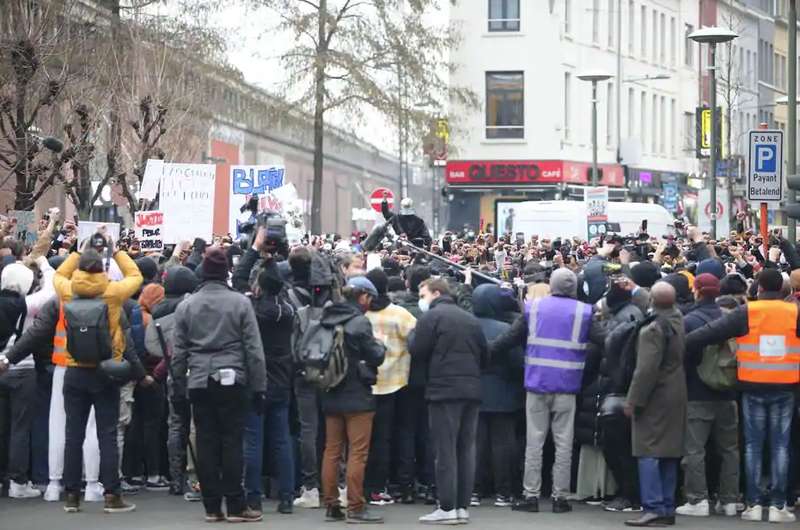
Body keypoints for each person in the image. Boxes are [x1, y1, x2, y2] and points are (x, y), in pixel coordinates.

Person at [686, 269, 800, 524]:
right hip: (786, 386)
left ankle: (753, 504)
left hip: (752, 386)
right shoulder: (794, 312)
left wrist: (681, 342)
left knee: (752, 446)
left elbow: (708, 333)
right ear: (783, 290)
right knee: (781, 446)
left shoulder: (747, 311)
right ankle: (779, 506)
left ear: (759, 288)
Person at [171, 247, 267, 523]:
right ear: (226, 272)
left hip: (199, 379)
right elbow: (254, 350)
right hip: (233, 378)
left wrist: (177, 387)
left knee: (206, 442)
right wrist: (259, 387)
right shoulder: (240, 303)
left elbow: (178, 353)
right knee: (232, 441)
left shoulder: (187, 306)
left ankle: (211, 506)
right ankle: (236, 505)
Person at [490, 268, 593, 514]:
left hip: (537, 383)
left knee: (534, 441)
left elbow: (508, 339)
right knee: (564, 443)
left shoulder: (534, 308)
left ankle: (531, 496)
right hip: (567, 385)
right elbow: (605, 340)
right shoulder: (584, 311)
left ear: (552, 285)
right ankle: (560, 498)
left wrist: (481, 351)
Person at [410, 277, 488, 525]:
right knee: (466, 449)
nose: (421, 300)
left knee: (445, 450)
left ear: (435, 293)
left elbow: (417, 350)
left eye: (422, 295)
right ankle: (462, 506)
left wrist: (412, 335)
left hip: (443, 391)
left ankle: (446, 506)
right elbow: (485, 354)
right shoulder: (470, 319)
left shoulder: (431, 318)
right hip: (471, 389)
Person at [319, 276, 387, 524]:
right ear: (363, 297)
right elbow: (376, 356)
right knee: (357, 453)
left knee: (332, 450)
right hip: (357, 394)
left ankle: (331, 504)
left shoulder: (328, 317)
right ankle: (356, 507)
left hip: (331, 389)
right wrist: (380, 344)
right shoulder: (359, 322)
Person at [623, 282, 687, 527]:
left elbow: (645, 371)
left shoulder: (652, 330)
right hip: (677, 391)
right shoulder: (677, 319)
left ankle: (653, 506)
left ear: (652, 301)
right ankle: (667, 506)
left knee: (647, 451)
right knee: (669, 452)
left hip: (655, 396)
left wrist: (633, 400)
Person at [675, 274, 739, 518]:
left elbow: (682, 357)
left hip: (697, 392)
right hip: (727, 391)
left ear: (697, 290)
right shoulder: (730, 318)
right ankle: (729, 499)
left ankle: (697, 499)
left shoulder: (689, 320)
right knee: (730, 449)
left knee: (695, 449)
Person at [243, 258, 296, 514]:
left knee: (253, 440)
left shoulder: (255, 312)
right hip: (283, 378)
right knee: (282, 440)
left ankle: (253, 496)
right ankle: (286, 496)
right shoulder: (288, 311)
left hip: (258, 379)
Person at [363, 268, 416, 505]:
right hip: (397, 381)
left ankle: (370, 484)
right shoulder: (400, 314)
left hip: (366, 382)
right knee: (396, 434)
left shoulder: (362, 314)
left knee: (368, 438)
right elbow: (417, 340)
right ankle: (399, 484)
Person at [471, 283, 524, 507]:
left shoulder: (469, 325)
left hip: (474, 389)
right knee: (503, 444)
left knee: (476, 443)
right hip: (503, 391)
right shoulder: (505, 329)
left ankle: (474, 490)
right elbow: (518, 362)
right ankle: (503, 491)